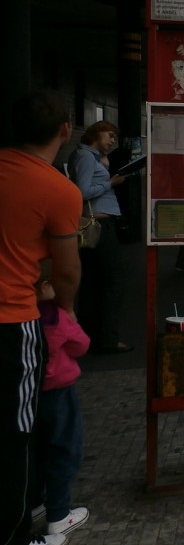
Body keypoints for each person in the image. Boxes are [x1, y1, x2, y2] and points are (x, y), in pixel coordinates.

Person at [0, 89, 82, 545]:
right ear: (65, 131)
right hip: (13, 319)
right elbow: (67, 269)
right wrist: (65, 312)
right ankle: (18, 530)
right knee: (18, 429)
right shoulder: (57, 189)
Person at [30, 279, 90, 537]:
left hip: (31, 393)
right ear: (45, 287)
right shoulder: (56, 315)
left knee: (35, 449)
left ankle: (34, 502)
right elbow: (82, 345)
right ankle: (59, 514)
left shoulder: (23, 319)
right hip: (60, 392)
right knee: (63, 450)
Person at [68, 121, 132, 354]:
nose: (113, 140)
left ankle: (88, 335)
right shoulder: (86, 158)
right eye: (110, 135)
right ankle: (107, 337)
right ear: (96, 134)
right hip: (99, 225)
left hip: (98, 223)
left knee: (93, 280)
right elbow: (82, 191)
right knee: (113, 279)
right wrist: (110, 183)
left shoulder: (89, 156)